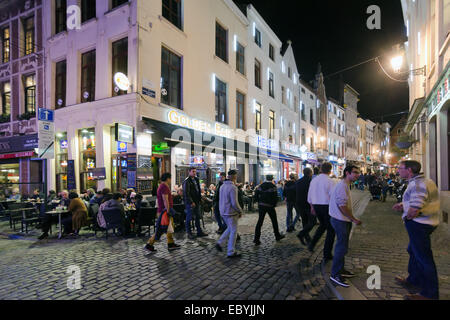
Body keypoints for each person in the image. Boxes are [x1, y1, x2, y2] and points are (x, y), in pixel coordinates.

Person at [392, 161, 440, 300]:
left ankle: (430, 294)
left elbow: (415, 208)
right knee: (412, 250)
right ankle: (414, 279)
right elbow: (420, 201)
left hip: (420, 224)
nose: (398, 171)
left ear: (409, 170)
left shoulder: (417, 185)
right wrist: (404, 204)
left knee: (424, 258)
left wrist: (408, 217)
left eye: (400, 168)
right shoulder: (425, 181)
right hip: (426, 222)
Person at [328, 165, 362, 288]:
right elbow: (342, 206)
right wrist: (353, 219)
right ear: (347, 173)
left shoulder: (345, 184)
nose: (357, 175)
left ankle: (340, 270)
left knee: (343, 246)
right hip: (340, 220)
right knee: (341, 247)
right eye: (355, 172)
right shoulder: (342, 186)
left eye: (358, 172)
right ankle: (335, 274)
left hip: (340, 219)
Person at [145, 173, 181, 252]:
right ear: (168, 178)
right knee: (161, 229)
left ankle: (170, 243)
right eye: (170, 178)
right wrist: (168, 211)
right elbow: (165, 200)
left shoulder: (161, 186)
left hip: (162, 210)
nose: (170, 180)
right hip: (164, 211)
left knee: (169, 227)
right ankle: (149, 244)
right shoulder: (164, 186)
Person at [307, 162, 336, 261]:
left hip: (316, 206)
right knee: (331, 230)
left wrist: (312, 207)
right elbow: (333, 196)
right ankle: (327, 253)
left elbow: (309, 195)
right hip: (326, 206)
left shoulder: (314, 180)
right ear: (330, 170)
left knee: (323, 225)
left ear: (320, 169)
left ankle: (312, 244)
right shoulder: (330, 181)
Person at [215, 170, 243, 258]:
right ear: (235, 176)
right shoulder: (233, 188)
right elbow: (234, 203)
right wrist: (240, 211)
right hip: (231, 212)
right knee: (233, 231)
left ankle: (220, 243)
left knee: (230, 228)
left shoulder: (222, 186)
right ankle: (231, 251)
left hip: (223, 211)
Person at [253, 175, 285, 245]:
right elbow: (275, 197)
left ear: (266, 178)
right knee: (274, 221)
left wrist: (259, 202)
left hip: (261, 205)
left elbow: (256, 195)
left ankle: (256, 239)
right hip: (270, 206)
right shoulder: (273, 186)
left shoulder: (261, 185)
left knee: (260, 222)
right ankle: (277, 235)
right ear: (272, 179)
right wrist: (273, 205)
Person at [182, 167, 208, 239]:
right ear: (189, 172)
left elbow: (198, 190)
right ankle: (189, 233)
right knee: (189, 217)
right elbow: (186, 193)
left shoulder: (196, 179)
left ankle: (199, 231)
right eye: (193, 171)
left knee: (197, 216)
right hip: (190, 203)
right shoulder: (187, 181)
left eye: (195, 171)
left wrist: (200, 199)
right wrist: (191, 202)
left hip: (197, 201)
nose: (194, 173)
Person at [295, 168, 316, 245]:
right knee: (313, 221)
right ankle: (302, 234)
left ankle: (307, 237)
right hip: (308, 204)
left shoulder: (298, 182)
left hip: (299, 204)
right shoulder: (311, 182)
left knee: (305, 221)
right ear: (310, 173)